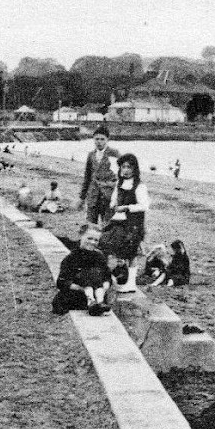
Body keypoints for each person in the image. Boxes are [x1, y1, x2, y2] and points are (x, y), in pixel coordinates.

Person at [102, 153, 150, 292]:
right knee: (110, 246)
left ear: (135, 169)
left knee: (131, 253)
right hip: (118, 221)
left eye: (129, 167)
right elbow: (113, 200)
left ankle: (131, 283)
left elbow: (144, 205)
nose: (126, 170)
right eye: (124, 167)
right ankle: (114, 279)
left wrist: (128, 207)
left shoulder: (139, 186)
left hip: (133, 223)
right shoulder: (119, 183)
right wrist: (114, 205)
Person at [53, 224, 114, 316]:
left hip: (97, 294)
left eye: (96, 240)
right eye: (89, 238)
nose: (92, 242)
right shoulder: (71, 258)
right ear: (81, 236)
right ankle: (92, 304)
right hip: (77, 295)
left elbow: (107, 277)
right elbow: (61, 282)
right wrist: (82, 288)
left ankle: (98, 305)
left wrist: (105, 286)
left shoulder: (99, 257)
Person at [78, 126, 119, 225]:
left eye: (102, 139)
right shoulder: (91, 155)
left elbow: (121, 174)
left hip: (108, 197)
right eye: (97, 139)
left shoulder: (114, 153)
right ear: (93, 139)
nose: (99, 142)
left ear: (107, 140)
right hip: (93, 196)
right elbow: (87, 177)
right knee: (90, 226)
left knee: (107, 226)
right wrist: (82, 197)